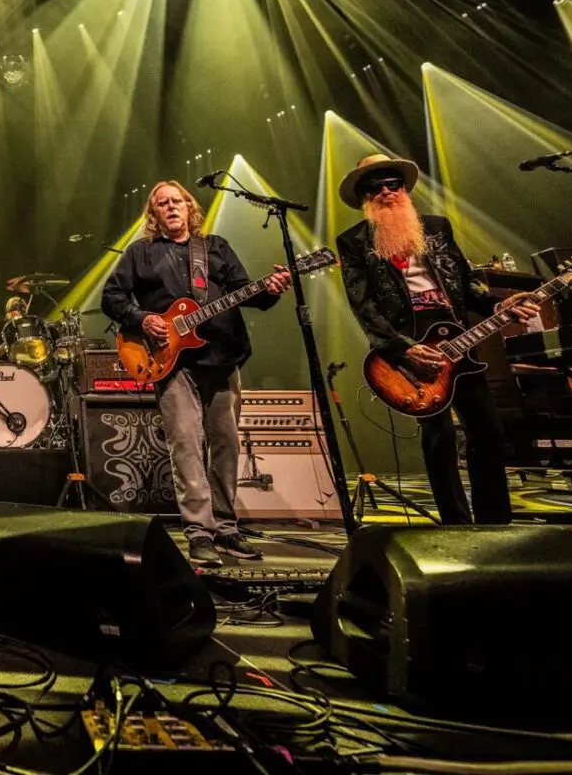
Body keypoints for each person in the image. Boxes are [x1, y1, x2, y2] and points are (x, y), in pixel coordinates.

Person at [336, 154, 536, 526]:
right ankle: (455, 523)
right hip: (409, 344)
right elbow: (361, 304)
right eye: (375, 187)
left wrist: (497, 303)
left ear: (405, 189)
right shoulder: (353, 242)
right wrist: (403, 349)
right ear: (364, 197)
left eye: (392, 184)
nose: (385, 192)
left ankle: (495, 521)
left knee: (488, 430)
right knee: (439, 434)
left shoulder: (437, 228)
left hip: (458, 338)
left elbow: (466, 282)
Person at [102, 180, 292, 566]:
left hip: (222, 357)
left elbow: (247, 293)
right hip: (172, 363)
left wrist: (271, 288)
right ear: (153, 214)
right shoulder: (141, 253)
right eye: (162, 204)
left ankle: (226, 528)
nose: (171, 207)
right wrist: (144, 318)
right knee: (186, 445)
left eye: (177, 201)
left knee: (226, 445)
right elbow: (112, 296)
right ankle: (198, 532)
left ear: (190, 207)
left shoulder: (216, 247)